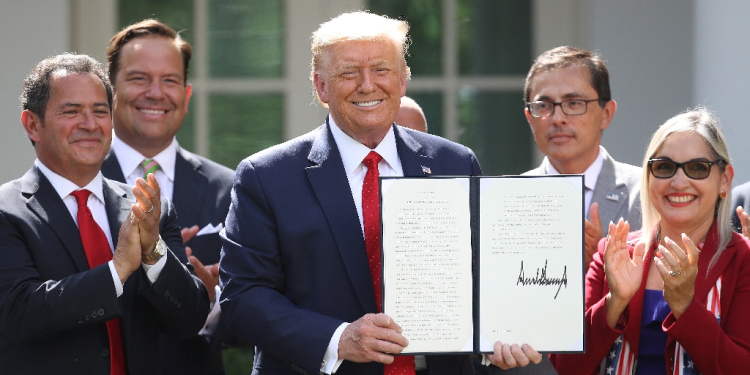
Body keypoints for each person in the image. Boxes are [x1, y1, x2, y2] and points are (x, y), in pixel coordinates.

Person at [219, 11, 539, 375]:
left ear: (403, 81)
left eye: (382, 70)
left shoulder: (454, 162)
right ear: (321, 86)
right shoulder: (266, 176)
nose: (367, 85)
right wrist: (338, 339)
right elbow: (243, 298)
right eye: (348, 73)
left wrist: (500, 334)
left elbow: (484, 277)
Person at [0, 53, 210, 374]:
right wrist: (117, 271)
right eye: (72, 111)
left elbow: (190, 320)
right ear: (33, 125)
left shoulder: (150, 209)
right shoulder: (8, 210)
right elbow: (18, 313)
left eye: (100, 111)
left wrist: (153, 252)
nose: (90, 124)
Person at [551, 107, 750, 375]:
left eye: (697, 168)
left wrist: (685, 308)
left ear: (724, 180)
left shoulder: (742, 259)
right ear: (648, 176)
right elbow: (563, 367)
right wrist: (614, 302)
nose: (679, 182)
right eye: (665, 167)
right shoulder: (614, 254)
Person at [100, 19, 236, 374]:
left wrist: (207, 301)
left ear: (186, 96)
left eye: (170, 80)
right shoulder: (80, 183)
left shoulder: (231, 188)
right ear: (110, 90)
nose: (156, 93)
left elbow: (255, 301)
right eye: (139, 78)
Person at [522, 46, 642, 272]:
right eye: (544, 106)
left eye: (574, 103)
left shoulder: (646, 193)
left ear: (606, 113)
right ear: (530, 117)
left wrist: (600, 268)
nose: (558, 118)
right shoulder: (510, 198)